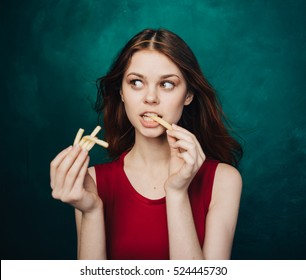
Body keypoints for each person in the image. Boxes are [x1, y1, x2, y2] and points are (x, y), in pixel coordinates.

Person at [50, 28, 243, 260]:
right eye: (136, 82)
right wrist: (91, 212)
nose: (150, 98)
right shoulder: (91, 182)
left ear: (189, 94)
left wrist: (177, 193)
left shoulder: (224, 181)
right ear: (121, 91)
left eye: (167, 84)